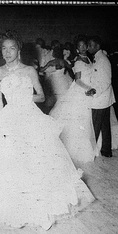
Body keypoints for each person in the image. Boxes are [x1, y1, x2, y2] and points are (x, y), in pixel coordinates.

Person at [0, 30, 95, 231]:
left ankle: (39, 212)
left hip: (30, 117)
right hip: (8, 118)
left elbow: (41, 96)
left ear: (18, 50)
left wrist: (24, 99)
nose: (7, 52)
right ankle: (2, 212)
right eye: (4, 48)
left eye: (12, 48)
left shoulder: (29, 70)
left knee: (35, 162)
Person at [49, 37, 99, 168]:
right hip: (81, 91)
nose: (83, 48)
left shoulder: (89, 59)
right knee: (81, 120)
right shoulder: (78, 61)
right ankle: (78, 151)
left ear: (87, 47)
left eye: (84, 45)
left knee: (87, 119)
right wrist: (89, 88)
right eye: (80, 46)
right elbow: (77, 80)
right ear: (77, 49)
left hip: (88, 91)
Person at [87, 35, 115, 158]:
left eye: (90, 45)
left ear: (97, 46)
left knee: (96, 126)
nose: (88, 48)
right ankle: (106, 150)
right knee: (104, 125)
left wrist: (94, 91)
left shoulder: (103, 60)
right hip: (104, 99)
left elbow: (106, 80)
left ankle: (91, 153)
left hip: (100, 99)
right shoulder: (98, 58)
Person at [40, 46, 73, 113]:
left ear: (54, 54)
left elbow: (42, 69)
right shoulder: (64, 62)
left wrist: (40, 65)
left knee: (56, 99)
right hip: (63, 81)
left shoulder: (52, 62)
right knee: (62, 99)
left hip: (55, 81)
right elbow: (71, 66)